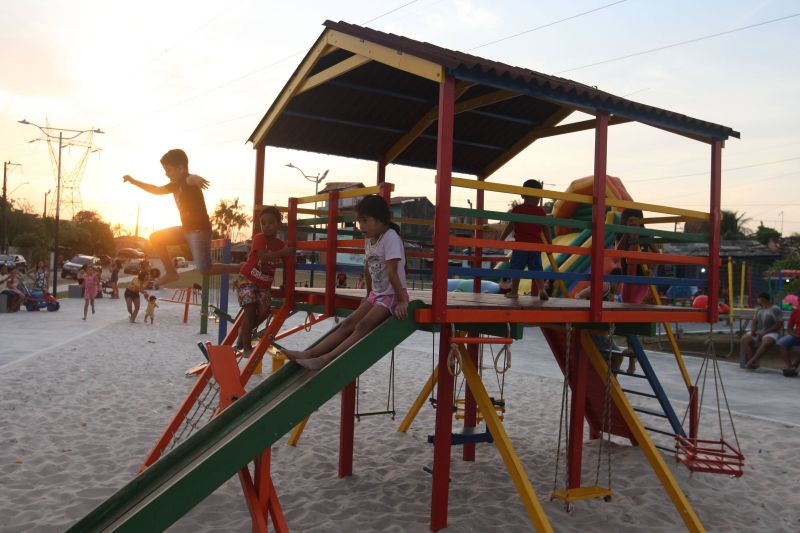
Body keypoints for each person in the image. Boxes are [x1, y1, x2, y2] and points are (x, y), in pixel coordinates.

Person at [284, 195, 408, 370]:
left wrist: (402, 300)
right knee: (347, 323)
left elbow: (391, 270)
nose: (360, 226)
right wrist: (368, 294)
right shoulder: (370, 239)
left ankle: (326, 359)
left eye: (364, 221)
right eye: (359, 221)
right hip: (377, 294)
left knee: (363, 325)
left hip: (392, 295)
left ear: (380, 219)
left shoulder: (391, 237)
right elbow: (368, 267)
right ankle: (310, 353)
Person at [122, 149, 240, 286]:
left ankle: (240, 268)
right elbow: (155, 190)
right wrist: (134, 181)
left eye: (169, 170)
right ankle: (171, 272)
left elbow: (192, 178)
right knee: (155, 237)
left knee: (205, 269)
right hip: (185, 230)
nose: (166, 174)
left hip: (199, 231)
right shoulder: (174, 185)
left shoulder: (187, 180)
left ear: (181, 168)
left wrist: (197, 178)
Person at [236, 206, 294, 355]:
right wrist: (283, 252)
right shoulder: (259, 238)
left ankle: (244, 331)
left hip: (263, 284)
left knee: (264, 312)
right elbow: (262, 256)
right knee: (249, 312)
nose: (267, 226)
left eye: (271, 222)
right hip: (247, 279)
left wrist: (286, 284)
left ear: (278, 224)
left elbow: (287, 264)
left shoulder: (280, 244)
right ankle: (247, 348)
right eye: (263, 223)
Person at [575, 268, 636, 373]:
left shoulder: (608, 290)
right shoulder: (605, 285)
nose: (620, 289)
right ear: (616, 281)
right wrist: (585, 313)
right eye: (620, 285)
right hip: (594, 330)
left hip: (598, 330)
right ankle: (613, 379)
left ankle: (613, 375)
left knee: (616, 356)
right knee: (617, 356)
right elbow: (579, 295)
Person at [498, 179, 548, 300]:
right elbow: (545, 228)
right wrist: (550, 244)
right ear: (539, 196)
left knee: (516, 268)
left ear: (522, 194)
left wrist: (501, 239)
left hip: (520, 245)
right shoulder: (540, 211)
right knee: (537, 268)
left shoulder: (517, 209)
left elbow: (510, 226)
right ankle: (541, 289)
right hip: (535, 246)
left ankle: (514, 291)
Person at [742, 292, 784, 369]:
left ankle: (752, 361)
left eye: (758, 298)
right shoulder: (758, 310)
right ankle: (752, 361)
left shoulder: (775, 309)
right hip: (760, 331)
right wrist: (753, 330)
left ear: (763, 299)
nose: (757, 300)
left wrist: (765, 332)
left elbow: (778, 324)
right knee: (745, 338)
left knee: (766, 341)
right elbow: (754, 322)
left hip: (773, 332)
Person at [776, 298, 800, 376]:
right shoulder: (795, 312)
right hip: (797, 336)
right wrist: (794, 334)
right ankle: (790, 366)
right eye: (799, 300)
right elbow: (789, 328)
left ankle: (795, 365)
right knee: (781, 342)